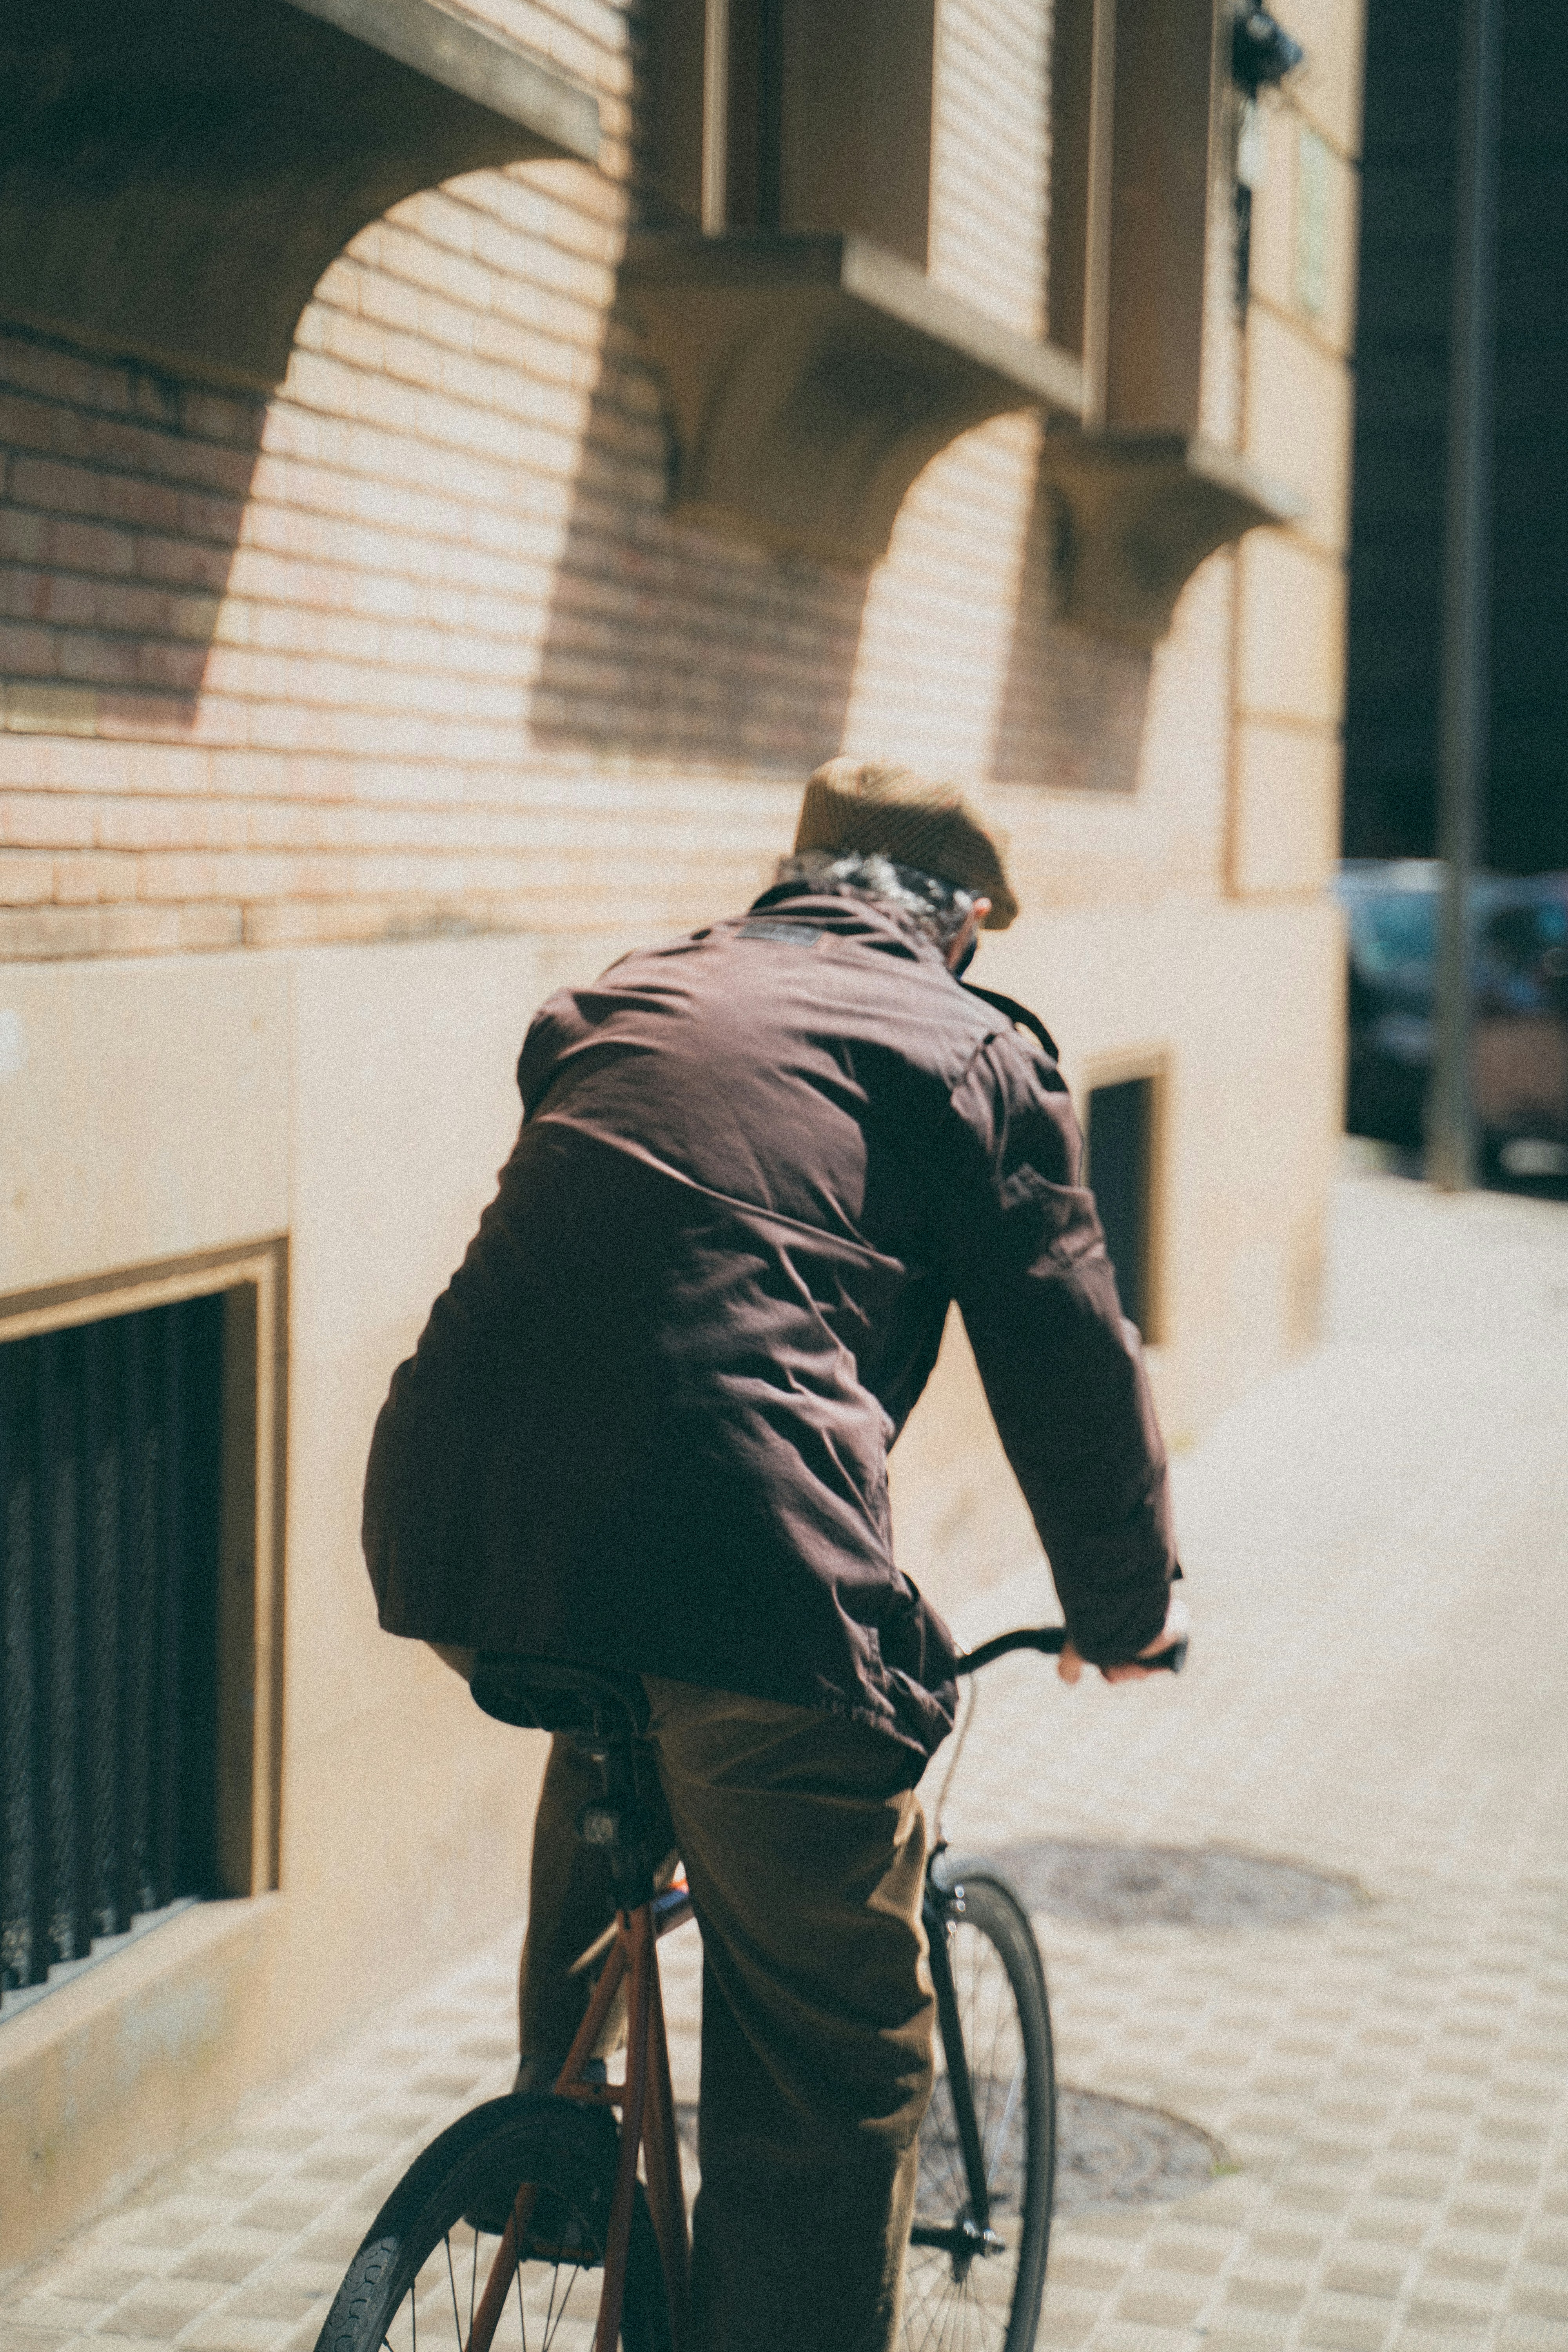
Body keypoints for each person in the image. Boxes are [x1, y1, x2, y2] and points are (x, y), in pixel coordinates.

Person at [362, 758, 1186, 2352]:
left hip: (452, 1521)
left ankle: (559, 2137)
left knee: (629, 1688)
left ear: (796, 873)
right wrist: (1123, 1608)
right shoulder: (970, 1050)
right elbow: (1070, 1365)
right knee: (835, 2047)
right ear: (964, 921)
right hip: (748, 1552)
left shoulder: (627, 995)